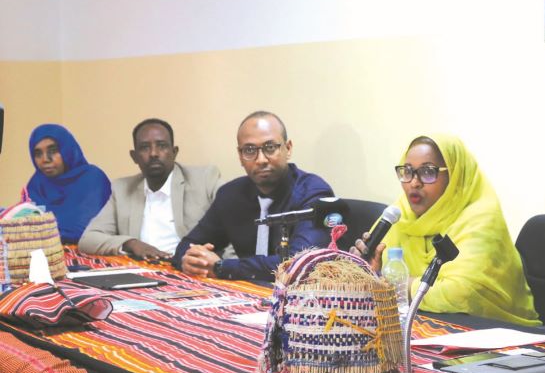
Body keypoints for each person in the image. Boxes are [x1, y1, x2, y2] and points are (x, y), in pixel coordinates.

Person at [359, 134, 539, 326]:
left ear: (454, 176)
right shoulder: (399, 215)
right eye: (408, 171)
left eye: (428, 172)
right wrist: (364, 270)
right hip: (420, 325)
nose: (414, 182)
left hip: (496, 332)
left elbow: (461, 294)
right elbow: (374, 279)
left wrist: (393, 284)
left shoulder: (481, 218)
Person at [172, 111, 334, 282]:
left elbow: (299, 264)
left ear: (288, 149)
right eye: (249, 150)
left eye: (270, 147)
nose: (261, 160)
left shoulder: (314, 193)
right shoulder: (230, 195)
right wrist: (191, 260)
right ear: (240, 156)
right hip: (243, 293)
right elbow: (188, 245)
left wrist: (222, 267)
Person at [78, 118, 220, 260]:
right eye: (145, 147)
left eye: (162, 146)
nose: (153, 153)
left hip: (191, 267)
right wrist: (131, 243)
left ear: (174, 152)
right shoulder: (123, 189)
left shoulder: (204, 180)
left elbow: (230, 226)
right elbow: (88, 239)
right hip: (143, 267)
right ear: (134, 157)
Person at [24, 124, 111, 243]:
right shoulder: (36, 184)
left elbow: (87, 230)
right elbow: (24, 226)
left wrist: (42, 232)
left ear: (68, 150)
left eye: (53, 151)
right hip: (45, 251)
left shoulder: (92, 178)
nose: (45, 159)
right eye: (38, 154)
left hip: (89, 250)